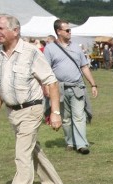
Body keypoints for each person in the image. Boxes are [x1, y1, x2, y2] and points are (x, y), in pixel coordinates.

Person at [0, 14, 68, 184]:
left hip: (31, 110)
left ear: (15, 31)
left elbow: (51, 82)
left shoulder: (31, 53)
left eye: (0, 28)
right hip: (12, 112)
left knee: (22, 155)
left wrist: (56, 112)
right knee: (33, 151)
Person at [44, 19, 98, 154]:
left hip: (77, 87)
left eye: (70, 30)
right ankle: (70, 141)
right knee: (66, 118)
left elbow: (84, 67)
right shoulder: (50, 49)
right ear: (58, 32)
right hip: (59, 89)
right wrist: (46, 88)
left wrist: (93, 84)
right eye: (67, 30)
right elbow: (46, 70)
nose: (70, 32)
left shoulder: (76, 48)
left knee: (79, 115)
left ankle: (81, 144)